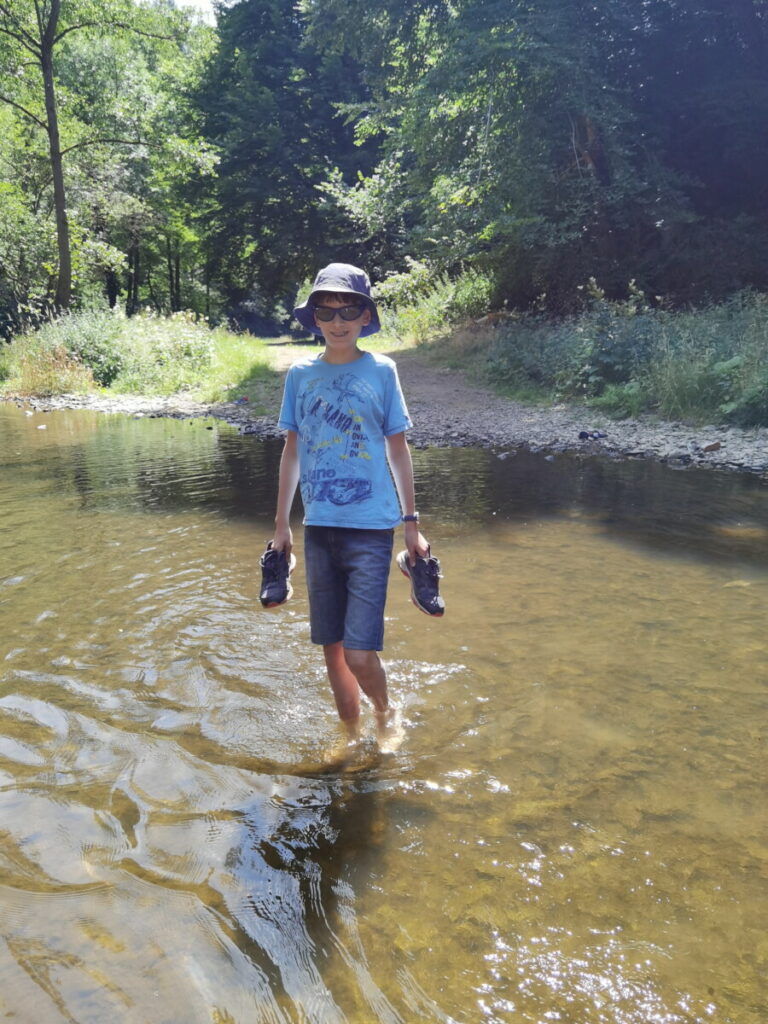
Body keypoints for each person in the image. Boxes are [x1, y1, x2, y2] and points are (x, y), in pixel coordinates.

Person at [263, 262, 443, 752]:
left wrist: (412, 526)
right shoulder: (300, 375)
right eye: (327, 310)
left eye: (349, 309)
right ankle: (349, 735)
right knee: (334, 653)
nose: (338, 320)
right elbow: (292, 451)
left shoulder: (382, 370)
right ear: (314, 317)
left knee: (362, 654)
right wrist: (282, 527)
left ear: (366, 316)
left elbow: (398, 449)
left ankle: (386, 714)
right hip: (319, 527)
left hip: (371, 528)